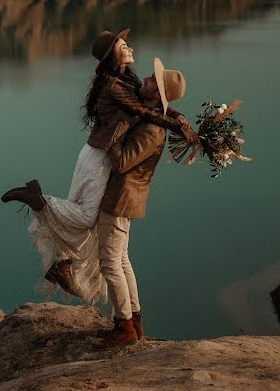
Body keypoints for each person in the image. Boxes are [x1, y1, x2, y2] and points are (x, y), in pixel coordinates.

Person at [2, 30, 197, 302]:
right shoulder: (114, 86)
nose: (130, 47)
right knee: (86, 217)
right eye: (123, 45)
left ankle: (61, 264)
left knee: (83, 214)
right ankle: (38, 200)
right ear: (112, 56)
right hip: (98, 157)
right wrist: (176, 125)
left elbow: (151, 105)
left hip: (98, 155)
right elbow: (144, 111)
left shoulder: (126, 81)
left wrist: (179, 117)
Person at [96, 58, 186, 349]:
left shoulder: (151, 130)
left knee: (110, 262)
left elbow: (122, 162)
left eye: (151, 79)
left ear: (157, 94)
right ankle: (133, 320)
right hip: (126, 198)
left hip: (120, 198)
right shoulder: (151, 118)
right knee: (121, 259)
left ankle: (124, 327)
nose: (145, 80)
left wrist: (110, 137)